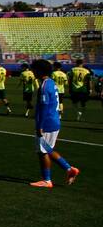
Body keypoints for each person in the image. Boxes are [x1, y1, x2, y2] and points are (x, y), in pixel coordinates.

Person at [29, 59, 80, 188]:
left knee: (42, 152)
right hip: (54, 120)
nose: (32, 72)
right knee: (47, 149)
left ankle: (47, 180)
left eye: (34, 69)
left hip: (47, 123)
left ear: (39, 71)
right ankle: (69, 169)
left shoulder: (44, 86)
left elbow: (44, 107)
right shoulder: (51, 82)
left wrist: (40, 125)